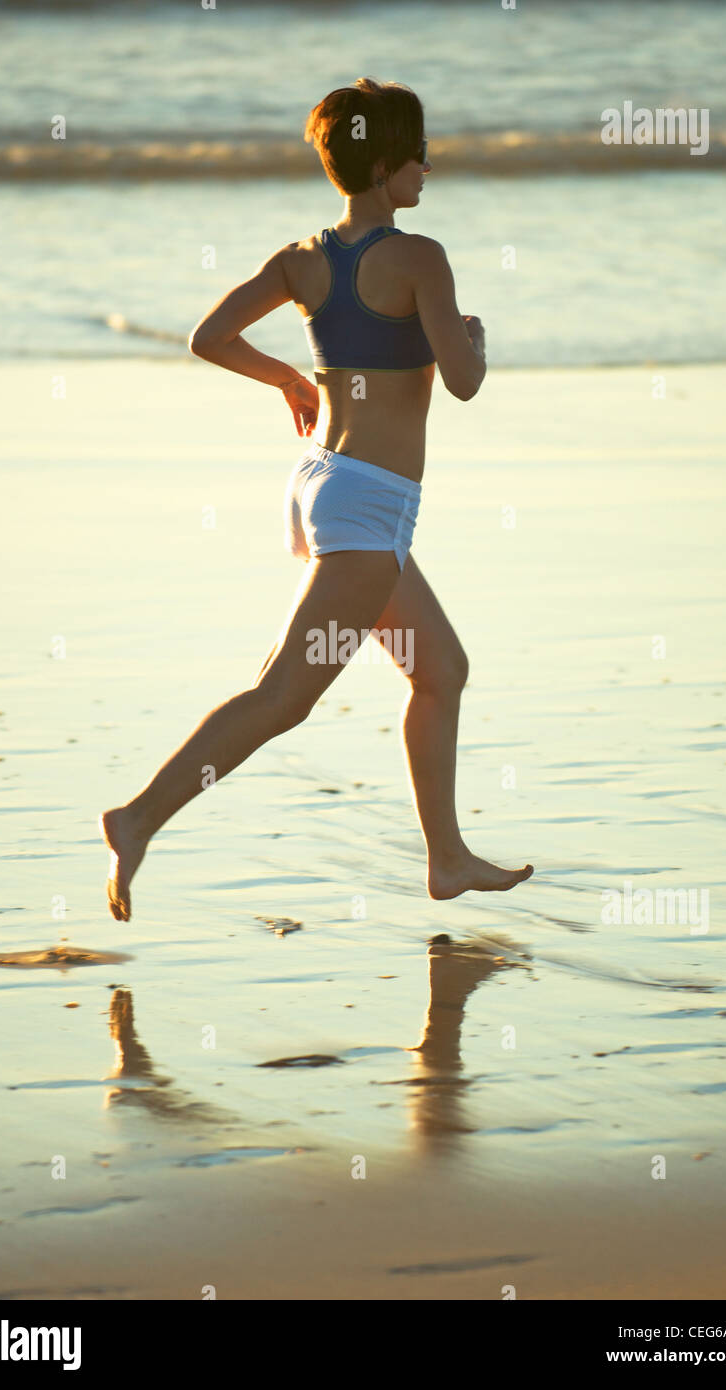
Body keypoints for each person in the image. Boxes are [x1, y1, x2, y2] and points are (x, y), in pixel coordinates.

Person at [100, 77, 533, 921]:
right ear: (382, 163)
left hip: (322, 491)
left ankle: (445, 859)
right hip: (365, 507)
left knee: (439, 669)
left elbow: (210, 337)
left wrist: (289, 378)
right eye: (417, 154)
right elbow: (465, 382)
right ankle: (137, 818)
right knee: (282, 697)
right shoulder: (420, 258)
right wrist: (475, 338)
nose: (429, 167)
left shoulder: (302, 258)